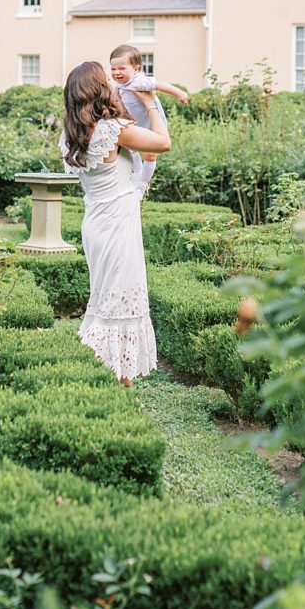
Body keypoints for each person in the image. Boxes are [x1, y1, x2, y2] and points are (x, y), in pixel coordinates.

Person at [59, 60, 171, 387]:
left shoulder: (70, 136)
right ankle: (97, 371)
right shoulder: (111, 129)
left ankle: (120, 384)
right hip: (118, 225)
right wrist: (151, 102)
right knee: (115, 304)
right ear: (98, 90)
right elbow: (162, 142)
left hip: (95, 224)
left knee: (107, 300)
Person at [109, 44, 187, 191]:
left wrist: (179, 93)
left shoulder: (139, 81)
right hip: (134, 123)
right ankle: (136, 178)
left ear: (137, 69)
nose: (116, 73)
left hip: (150, 123)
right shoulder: (117, 86)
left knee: (150, 155)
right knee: (131, 149)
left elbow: (160, 85)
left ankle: (143, 184)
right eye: (113, 69)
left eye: (122, 68)